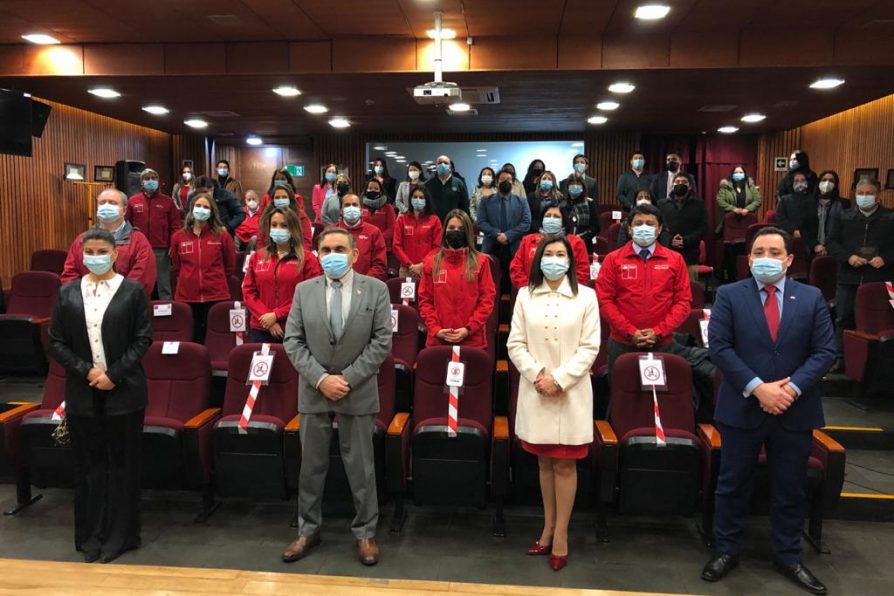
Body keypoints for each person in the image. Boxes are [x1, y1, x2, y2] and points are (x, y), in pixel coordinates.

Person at [703, 227, 836, 595]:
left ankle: (788, 556)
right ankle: (726, 550)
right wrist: (758, 388)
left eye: (774, 252)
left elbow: (825, 352)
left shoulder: (811, 298)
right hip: (743, 405)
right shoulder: (730, 295)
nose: (766, 258)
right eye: (759, 251)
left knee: (790, 488)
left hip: (795, 408)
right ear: (749, 258)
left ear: (789, 259)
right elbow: (720, 347)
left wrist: (789, 389)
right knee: (731, 484)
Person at [281, 228, 392, 567]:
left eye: (340, 248)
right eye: (326, 248)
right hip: (314, 391)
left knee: (361, 467)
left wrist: (346, 378)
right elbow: (292, 341)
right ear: (316, 253)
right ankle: (307, 530)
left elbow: (382, 341)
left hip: (356, 390)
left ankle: (365, 533)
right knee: (311, 467)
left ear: (355, 254)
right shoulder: (303, 290)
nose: (333, 253)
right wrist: (320, 379)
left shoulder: (376, 289)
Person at [48, 227, 152, 564]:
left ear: (115, 253)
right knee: (88, 466)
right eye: (88, 250)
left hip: (124, 390)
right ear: (80, 255)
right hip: (82, 390)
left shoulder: (132, 291)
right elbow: (56, 341)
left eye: (100, 250)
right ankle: (91, 536)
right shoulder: (68, 293)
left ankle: (121, 536)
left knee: (123, 465)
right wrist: (87, 370)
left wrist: (113, 374)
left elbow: (142, 340)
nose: (94, 256)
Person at [507, 235, 600, 572]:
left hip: (571, 391)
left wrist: (559, 379)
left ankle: (561, 534)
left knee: (564, 464)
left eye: (562, 254)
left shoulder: (586, 296)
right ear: (538, 259)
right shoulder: (524, 295)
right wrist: (538, 375)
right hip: (536, 389)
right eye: (549, 254)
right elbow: (515, 342)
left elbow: (591, 346)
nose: (555, 259)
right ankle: (546, 527)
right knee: (544, 463)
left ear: (571, 261)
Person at [595, 203, 691, 374]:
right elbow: (605, 301)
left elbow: (683, 302)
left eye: (650, 223)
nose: (644, 227)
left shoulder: (675, 260)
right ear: (630, 229)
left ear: (659, 228)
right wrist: (631, 332)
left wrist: (659, 332)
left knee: (663, 398)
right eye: (638, 224)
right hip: (622, 344)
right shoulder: (612, 260)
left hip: (663, 344)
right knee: (622, 398)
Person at [826, 178, 894, 366]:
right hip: (849, 276)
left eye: (869, 193)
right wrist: (848, 257)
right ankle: (840, 359)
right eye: (860, 193)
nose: (864, 197)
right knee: (843, 318)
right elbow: (831, 242)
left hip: (883, 278)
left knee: (886, 319)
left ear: (878, 196)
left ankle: (882, 364)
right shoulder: (843, 216)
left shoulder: (890, 217)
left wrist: (886, 258)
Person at [418, 209, 496, 350]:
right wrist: (436, 329)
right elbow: (425, 301)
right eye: (451, 228)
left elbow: (487, 300)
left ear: (468, 232)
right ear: (445, 231)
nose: (455, 232)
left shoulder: (482, 262)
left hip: (472, 340)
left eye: (460, 229)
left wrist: (469, 328)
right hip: (438, 340)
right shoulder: (431, 263)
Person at [242, 207, 321, 343]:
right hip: (261, 326)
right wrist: (268, 318)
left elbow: (310, 295)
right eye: (274, 225)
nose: (278, 229)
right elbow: (248, 291)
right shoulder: (257, 256)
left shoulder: (307, 259)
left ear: (293, 228)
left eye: (284, 225)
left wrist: (276, 315)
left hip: (295, 326)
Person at [63, 189, 156, 297]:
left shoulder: (138, 241)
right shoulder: (82, 240)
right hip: (86, 306)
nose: (106, 206)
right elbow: (70, 274)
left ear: (124, 210)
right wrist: (82, 299)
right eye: (102, 203)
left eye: (112, 203)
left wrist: (116, 301)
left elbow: (142, 278)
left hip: (125, 307)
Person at [169, 193, 236, 342]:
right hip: (188, 295)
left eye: (206, 207)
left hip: (216, 295)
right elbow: (176, 266)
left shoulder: (222, 236)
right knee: (193, 337)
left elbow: (230, 265)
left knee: (215, 339)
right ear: (191, 209)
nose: (201, 209)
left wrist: (214, 279)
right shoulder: (178, 237)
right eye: (198, 206)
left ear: (212, 212)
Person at [125, 167, 181, 300]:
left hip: (161, 248)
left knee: (163, 282)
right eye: (147, 179)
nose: (151, 181)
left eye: (153, 178)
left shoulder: (167, 201)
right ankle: (141, 307)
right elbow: (126, 224)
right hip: (138, 248)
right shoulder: (133, 201)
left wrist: (173, 245)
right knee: (140, 279)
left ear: (158, 181)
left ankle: (167, 309)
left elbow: (175, 225)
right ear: (142, 182)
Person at [510, 203, 589, 289]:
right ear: (542, 220)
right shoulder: (527, 241)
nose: (551, 219)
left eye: (556, 216)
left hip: (566, 295)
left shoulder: (576, 243)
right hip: (531, 293)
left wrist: (565, 290)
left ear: (563, 221)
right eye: (547, 216)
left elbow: (583, 272)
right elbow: (516, 268)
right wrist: (529, 288)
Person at [477, 168, 532, 290]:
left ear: (513, 183)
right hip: (492, 247)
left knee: (512, 285)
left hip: (514, 248)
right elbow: (481, 222)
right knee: (490, 285)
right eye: (502, 179)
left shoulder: (522, 201)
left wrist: (508, 235)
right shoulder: (486, 201)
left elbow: (526, 223)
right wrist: (497, 234)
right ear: (496, 182)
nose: (505, 181)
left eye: (509, 179)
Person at [716, 166, 762, 282]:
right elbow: (720, 200)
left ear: (745, 174)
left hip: (746, 223)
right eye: (736, 172)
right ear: (731, 174)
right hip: (731, 224)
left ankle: (747, 277)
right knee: (730, 253)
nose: (738, 174)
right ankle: (730, 278)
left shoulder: (750, 186)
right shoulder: (725, 187)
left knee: (746, 250)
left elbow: (757, 200)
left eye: (741, 172)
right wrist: (733, 209)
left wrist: (748, 209)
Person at [657, 174, 708, 275]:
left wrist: (686, 240)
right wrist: (670, 240)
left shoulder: (699, 204)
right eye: (678, 182)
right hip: (666, 252)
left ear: (690, 186)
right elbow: (658, 227)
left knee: (689, 288)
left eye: (684, 182)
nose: (680, 184)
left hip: (690, 255)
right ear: (672, 185)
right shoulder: (661, 204)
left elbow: (703, 228)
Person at [331, 193, 388, 281]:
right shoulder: (330, 232)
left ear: (361, 210)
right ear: (341, 211)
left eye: (354, 205)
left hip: (365, 286)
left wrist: (363, 282)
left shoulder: (374, 232)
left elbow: (379, 265)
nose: (351, 208)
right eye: (347, 205)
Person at [392, 186, 442, 279]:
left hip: (427, 268)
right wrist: (410, 265)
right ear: (410, 199)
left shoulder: (434, 220)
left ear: (426, 200)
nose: (417, 199)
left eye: (421, 197)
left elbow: (437, 247)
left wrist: (422, 264)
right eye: (415, 197)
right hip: (406, 269)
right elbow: (396, 245)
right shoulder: (402, 219)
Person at [775, 172, 818, 260]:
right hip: (788, 236)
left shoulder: (814, 199)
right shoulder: (785, 200)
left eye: (802, 180)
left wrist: (803, 234)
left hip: (809, 239)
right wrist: (793, 230)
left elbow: (814, 222)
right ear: (792, 184)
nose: (800, 183)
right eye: (796, 181)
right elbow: (780, 218)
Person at [257, 184, 313, 249]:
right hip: (270, 254)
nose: (281, 200)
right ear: (273, 200)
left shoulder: (301, 216)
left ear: (290, 199)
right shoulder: (266, 216)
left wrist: (299, 256)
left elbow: (306, 241)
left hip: (296, 254)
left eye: (284, 197)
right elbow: (260, 241)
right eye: (277, 197)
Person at [813, 170, 850, 258]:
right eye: (824, 180)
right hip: (812, 248)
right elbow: (806, 228)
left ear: (836, 184)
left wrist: (829, 247)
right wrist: (815, 245)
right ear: (819, 182)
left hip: (835, 249)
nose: (827, 183)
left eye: (831, 181)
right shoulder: (809, 202)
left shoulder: (844, 203)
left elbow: (844, 228)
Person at [425, 154, 469, 221]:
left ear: (450, 166)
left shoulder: (459, 183)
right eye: (439, 163)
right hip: (433, 225)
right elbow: (426, 207)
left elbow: (465, 206)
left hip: (453, 224)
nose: (442, 165)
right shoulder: (428, 185)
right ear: (436, 166)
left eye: (445, 163)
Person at [564, 173, 600, 251]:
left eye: (578, 184)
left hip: (584, 244)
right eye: (572, 184)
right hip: (564, 244)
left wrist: (580, 237)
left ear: (583, 187)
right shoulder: (562, 204)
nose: (575, 186)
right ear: (567, 187)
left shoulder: (590, 203)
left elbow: (596, 227)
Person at [361, 177, 397, 251]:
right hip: (364, 244)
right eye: (370, 188)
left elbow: (392, 229)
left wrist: (376, 239)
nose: (372, 190)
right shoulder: (360, 206)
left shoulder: (388, 207)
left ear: (380, 191)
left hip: (383, 246)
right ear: (366, 190)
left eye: (376, 188)